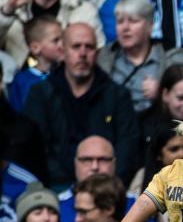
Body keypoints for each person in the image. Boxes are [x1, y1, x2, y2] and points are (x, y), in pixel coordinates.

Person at [23, 23, 139, 189]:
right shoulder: (40, 94)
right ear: (62, 52)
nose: (83, 53)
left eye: (89, 47)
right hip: (55, 188)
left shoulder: (117, 96)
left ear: (97, 54)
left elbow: (127, 148)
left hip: (107, 188)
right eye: (76, 47)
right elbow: (36, 149)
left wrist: (105, 186)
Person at [97, 0, 183, 113]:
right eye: (120, 22)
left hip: (161, 123)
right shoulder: (104, 57)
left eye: (133, 21)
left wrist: (162, 96)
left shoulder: (176, 59)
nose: (125, 28)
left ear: (150, 26)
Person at [5, 16, 62, 113]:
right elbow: (16, 114)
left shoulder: (67, 75)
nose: (62, 44)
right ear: (35, 48)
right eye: (55, 41)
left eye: (64, 39)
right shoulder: (21, 81)